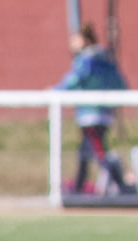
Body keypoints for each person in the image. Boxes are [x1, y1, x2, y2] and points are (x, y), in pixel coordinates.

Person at [54, 21, 128, 194]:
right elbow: (121, 84)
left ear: (85, 40)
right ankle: (78, 187)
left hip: (91, 114)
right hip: (105, 114)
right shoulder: (107, 61)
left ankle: (121, 185)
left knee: (98, 152)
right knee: (84, 153)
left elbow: (72, 80)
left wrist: (54, 91)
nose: (72, 44)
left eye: (75, 40)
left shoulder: (86, 62)